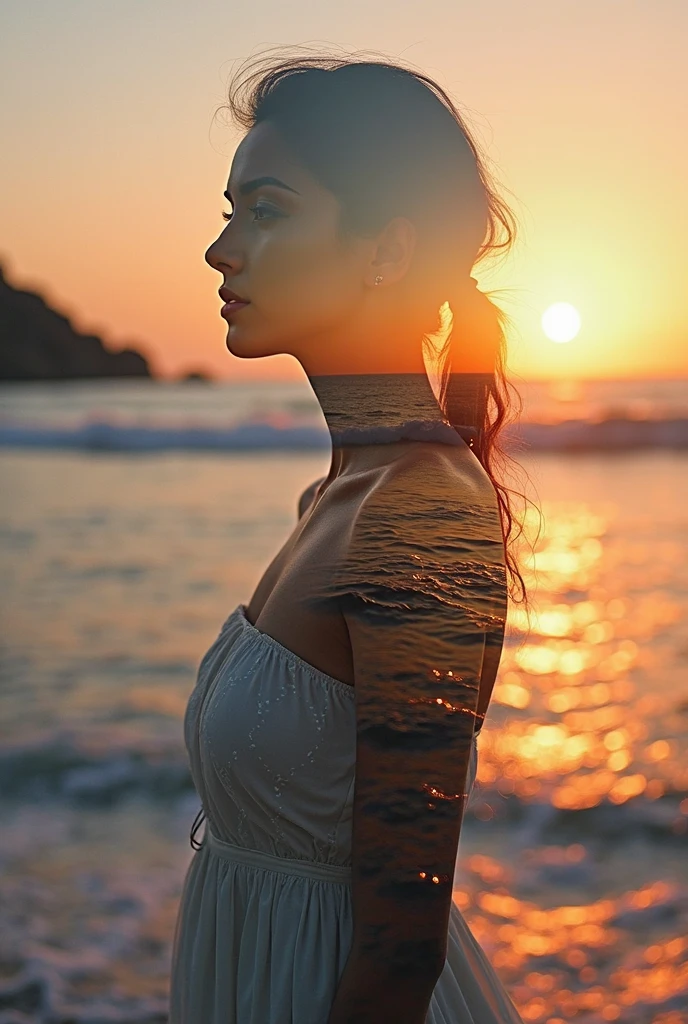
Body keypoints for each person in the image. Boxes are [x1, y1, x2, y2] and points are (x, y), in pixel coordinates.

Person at [169, 46, 530, 1024]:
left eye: (269, 210)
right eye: (230, 209)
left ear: (385, 250)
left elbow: (398, 950)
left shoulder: (417, 515)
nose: (222, 249)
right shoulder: (336, 495)